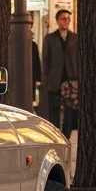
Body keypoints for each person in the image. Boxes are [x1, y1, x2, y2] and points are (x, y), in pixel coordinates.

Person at [40, 9, 78, 137]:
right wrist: (45, 80)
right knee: (54, 107)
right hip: (55, 78)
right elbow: (45, 60)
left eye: (68, 18)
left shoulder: (75, 38)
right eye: (63, 18)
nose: (66, 21)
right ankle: (55, 133)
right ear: (57, 20)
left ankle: (66, 134)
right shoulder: (50, 38)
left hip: (71, 78)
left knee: (69, 108)